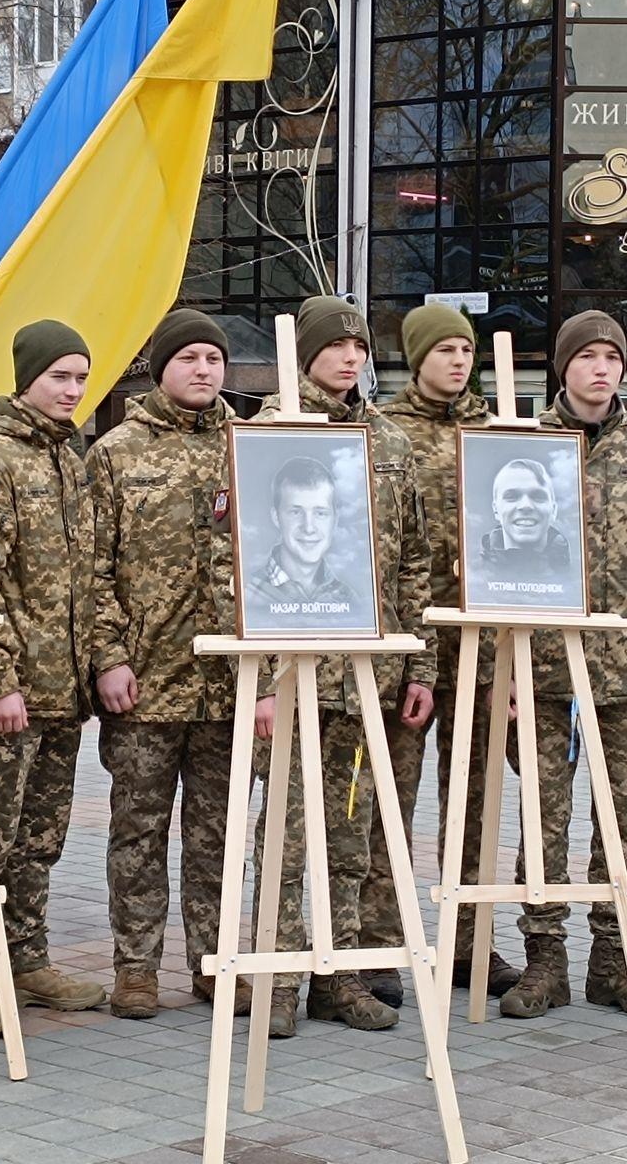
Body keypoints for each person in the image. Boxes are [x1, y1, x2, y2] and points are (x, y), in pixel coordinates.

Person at [252, 296, 436, 1038]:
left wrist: (416, 660)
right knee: (288, 836)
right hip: (293, 671)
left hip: (368, 675)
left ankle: (343, 975)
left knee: (354, 834)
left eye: (360, 346)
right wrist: (263, 681)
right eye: (336, 346)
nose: (351, 357)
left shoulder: (387, 440)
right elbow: (234, 562)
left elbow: (414, 558)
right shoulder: (267, 435)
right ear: (307, 355)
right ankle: (281, 977)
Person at [504, 311, 627, 1021]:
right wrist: (504, 679)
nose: (601, 368)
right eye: (586, 356)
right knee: (541, 818)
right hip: (543, 672)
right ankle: (543, 960)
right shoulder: (525, 446)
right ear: (563, 368)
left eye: (612, 357)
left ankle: (615, 959)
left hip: (626, 672)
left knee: (621, 818)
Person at [0, 321, 104, 1037]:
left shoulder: (70, 457)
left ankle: (26, 954)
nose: (72, 390)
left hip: (63, 690)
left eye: (80, 378)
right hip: (10, 692)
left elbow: (86, 576)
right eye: (60, 377)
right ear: (28, 377)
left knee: (41, 836)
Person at [87, 310, 241, 1020]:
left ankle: (214, 962)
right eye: (190, 359)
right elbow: (93, 571)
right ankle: (136, 967)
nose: (204, 370)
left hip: (228, 685)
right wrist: (110, 659)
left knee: (217, 834)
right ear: (161, 367)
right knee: (139, 833)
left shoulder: (248, 447)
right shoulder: (116, 452)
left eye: (214, 358)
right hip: (145, 684)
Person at [378, 303, 520, 1000]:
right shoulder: (387, 435)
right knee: (389, 799)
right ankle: (380, 941)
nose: (459, 361)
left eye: (467, 350)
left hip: (480, 644)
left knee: (473, 802)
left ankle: (471, 944)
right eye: (445, 350)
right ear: (416, 356)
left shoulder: (494, 433)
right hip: (411, 639)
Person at [243, 457, 361, 618]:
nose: (309, 527)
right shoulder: (248, 593)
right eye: (295, 512)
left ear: (335, 520)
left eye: (320, 513)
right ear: (276, 517)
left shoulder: (350, 601)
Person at [469, 458, 573, 594]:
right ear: (496, 509)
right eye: (512, 496)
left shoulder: (577, 582)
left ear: (553, 510)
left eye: (538, 496)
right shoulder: (473, 581)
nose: (526, 506)